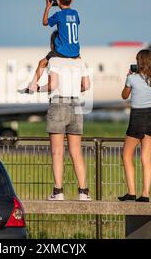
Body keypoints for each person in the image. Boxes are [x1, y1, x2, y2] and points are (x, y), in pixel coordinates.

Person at [37, 54, 91, 201]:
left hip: (58, 103)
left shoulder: (54, 60)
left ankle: (58, 191)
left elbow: (52, 85)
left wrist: (37, 88)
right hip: (76, 105)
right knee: (76, 152)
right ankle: (83, 191)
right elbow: (86, 85)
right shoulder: (79, 61)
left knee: (57, 152)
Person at [118, 49, 151, 203]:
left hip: (137, 117)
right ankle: (145, 194)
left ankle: (131, 192)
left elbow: (124, 96)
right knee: (146, 158)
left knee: (126, 155)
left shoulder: (132, 78)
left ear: (140, 62)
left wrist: (127, 78)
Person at [18, 0, 81, 94]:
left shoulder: (59, 15)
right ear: (72, 0)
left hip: (63, 51)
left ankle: (33, 86)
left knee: (42, 63)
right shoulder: (75, 14)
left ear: (58, 1)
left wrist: (48, 7)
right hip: (75, 52)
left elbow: (45, 22)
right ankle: (36, 88)